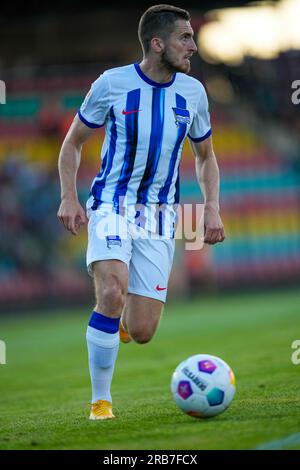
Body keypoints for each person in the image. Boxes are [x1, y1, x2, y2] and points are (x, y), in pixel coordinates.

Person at [57, 4, 225, 420]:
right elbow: (73, 142)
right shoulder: (112, 84)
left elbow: (205, 156)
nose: (193, 46)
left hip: (159, 217)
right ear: (157, 43)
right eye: (184, 38)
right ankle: (101, 402)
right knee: (112, 291)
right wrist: (68, 197)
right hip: (111, 204)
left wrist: (211, 209)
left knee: (144, 331)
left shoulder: (193, 94)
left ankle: (122, 326)